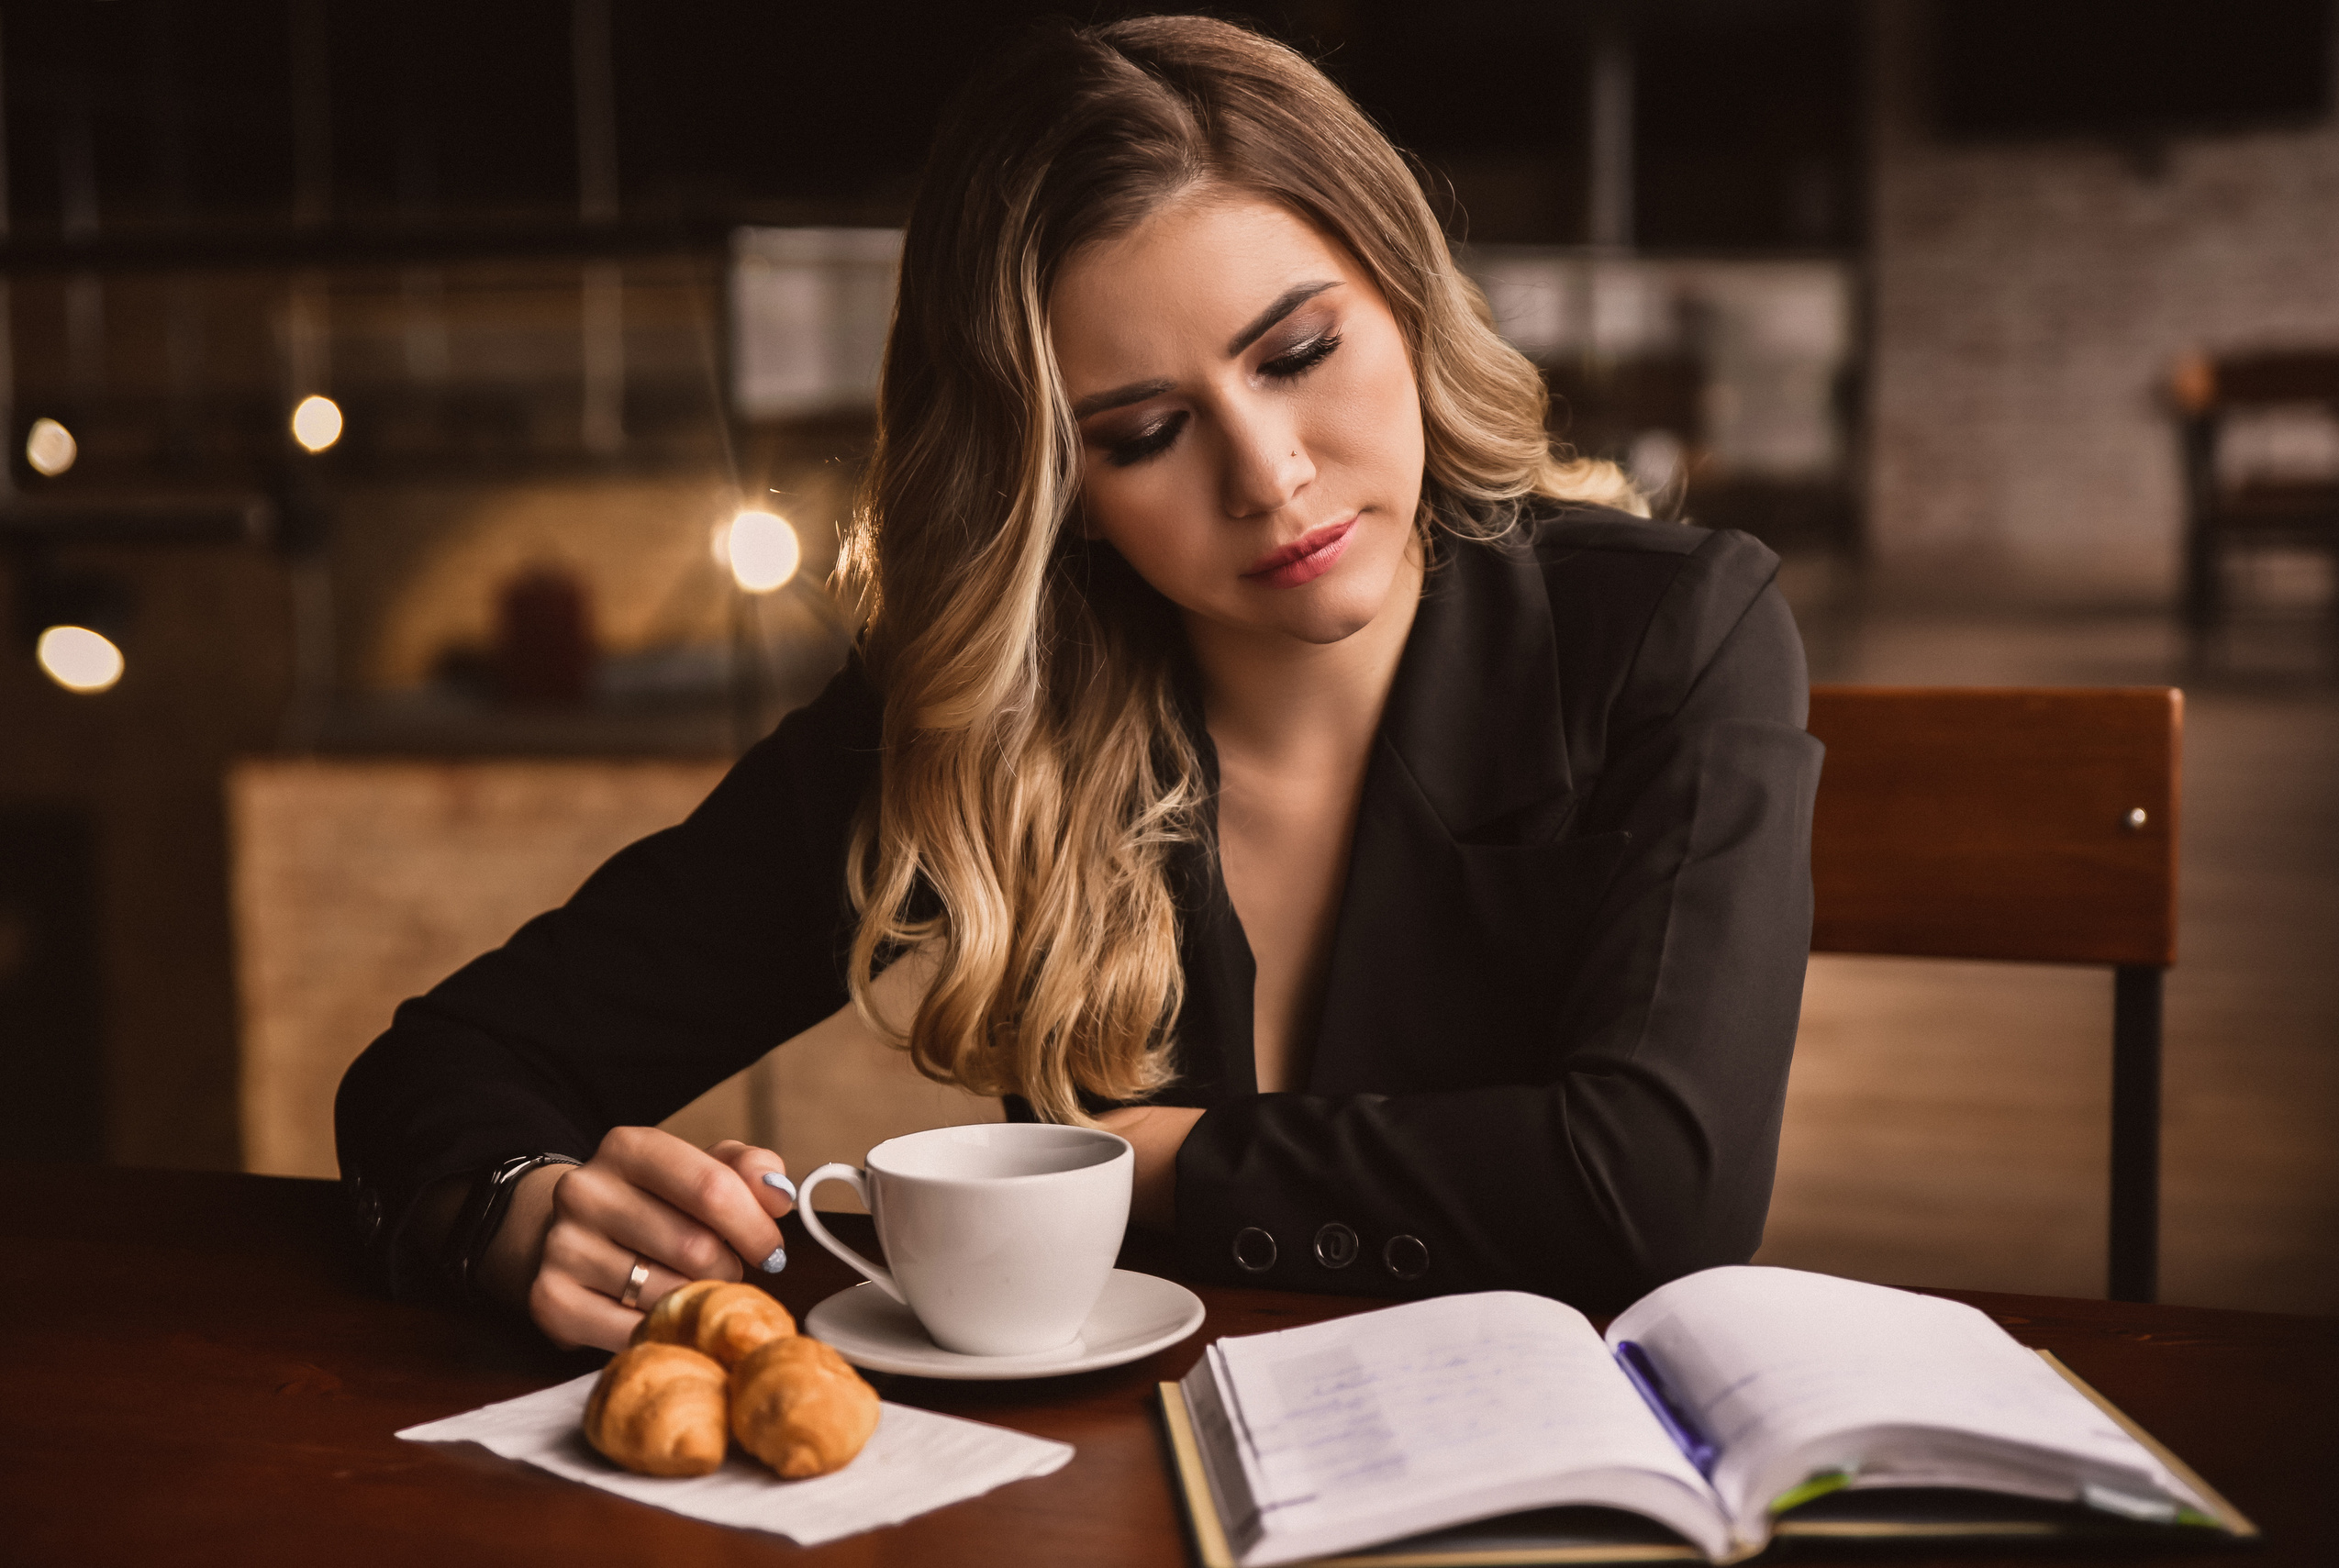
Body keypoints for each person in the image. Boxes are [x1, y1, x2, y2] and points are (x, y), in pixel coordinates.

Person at [335, 15, 1822, 1354]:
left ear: (1407, 298)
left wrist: (1133, 1162)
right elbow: (452, 1067)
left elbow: (1656, 1191)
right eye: (1142, 431)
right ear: (1053, 486)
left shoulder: (1674, 631)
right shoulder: (987, 720)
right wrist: (521, 1211)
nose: (1270, 473)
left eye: (1298, 351)